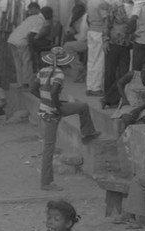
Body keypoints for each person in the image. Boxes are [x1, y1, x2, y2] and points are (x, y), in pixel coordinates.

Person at [31, 47, 100, 191]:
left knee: (82, 107)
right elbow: (55, 90)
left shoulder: (42, 71)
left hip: (45, 109)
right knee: (49, 146)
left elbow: (33, 89)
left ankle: (87, 133)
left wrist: (45, 99)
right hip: (53, 111)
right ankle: (46, 182)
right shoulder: (59, 74)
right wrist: (55, 104)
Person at [112, 56, 145, 132]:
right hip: (129, 102)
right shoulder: (133, 74)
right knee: (127, 120)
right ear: (141, 68)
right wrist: (124, 99)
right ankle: (127, 137)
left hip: (144, 106)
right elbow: (119, 83)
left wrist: (138, 110)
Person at [102, 0, 134, 106]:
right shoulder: (116, 7)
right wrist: (105, 40)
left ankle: (112, 98)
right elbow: (107, 24)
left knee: (123, 74)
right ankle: (109, 99)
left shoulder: (137, 7)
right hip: (113, 44)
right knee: (110, 73)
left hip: (126, 46)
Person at [7, 2, 45, 90]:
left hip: (12, 40)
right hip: (21, 41)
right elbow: (31, 35)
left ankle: (20, 83)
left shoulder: (31, 18)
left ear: (36, 9)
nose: (29, 11)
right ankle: (26, 84)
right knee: (26, 62)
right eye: (29, 10)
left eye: (31, 9)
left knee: (19, 63)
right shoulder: (40, 19)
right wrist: (32, 50)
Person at [85, 0, 110, 96]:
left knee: (91, 61)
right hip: (99, 32)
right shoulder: (101, 3)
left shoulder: (90, 2)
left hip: (91, 31)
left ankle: (89, 86)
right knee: (99, 61)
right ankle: (96, 88)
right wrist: (106, 36)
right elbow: (106, 19)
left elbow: (87, 18)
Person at [63, 3, 88, 83]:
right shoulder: (74, 17)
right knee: (67, 46)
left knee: (67, 46)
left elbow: (82, 37)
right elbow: (68, 30)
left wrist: (75, 36)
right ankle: (78, 68)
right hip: (80, 39)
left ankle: (79, 67)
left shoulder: (85, 18)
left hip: (86, 42)